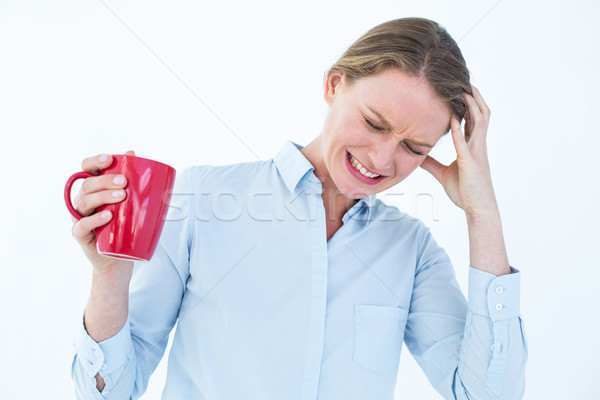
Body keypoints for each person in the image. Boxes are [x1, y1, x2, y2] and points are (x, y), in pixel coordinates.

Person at [70, 17, 528, 399]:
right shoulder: (203, 200)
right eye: (374, 122)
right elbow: (109, 390)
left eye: (413, 146)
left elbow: (487, 394)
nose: (381, 159)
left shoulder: (412, 251)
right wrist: (109, 278)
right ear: (334, 85)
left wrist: (482, 213)